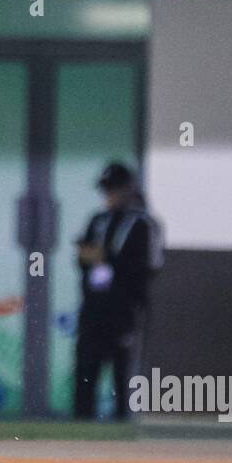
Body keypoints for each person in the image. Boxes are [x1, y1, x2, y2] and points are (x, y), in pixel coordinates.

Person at [73, 162, 163, 421]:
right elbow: (83, 258)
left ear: (128, 190)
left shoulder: (143, 224)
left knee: (123, 370)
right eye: (106, 190)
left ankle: (124, 420)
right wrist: (90, 257)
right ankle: (82, 419)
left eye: (114, 190)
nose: (109, 196)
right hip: (94, 307)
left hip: (124, 308)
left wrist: (109, 259)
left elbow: (149, 265)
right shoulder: (98, 220)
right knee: (86, 365)